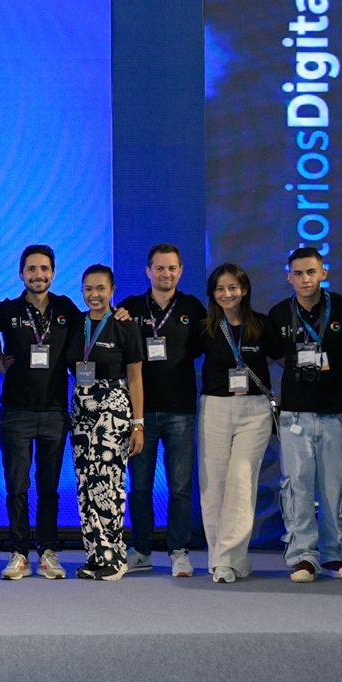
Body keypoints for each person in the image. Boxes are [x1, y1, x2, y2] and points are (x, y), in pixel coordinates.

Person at [0, 245, 83, 581]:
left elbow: (95, 323)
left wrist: (120, 314)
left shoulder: (67, 308)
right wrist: (0, 364)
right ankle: (19, 552)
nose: (38, 275)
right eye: (31, 269)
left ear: (53, 273)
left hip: (55, 413)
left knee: (49, 487)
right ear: (21, 274)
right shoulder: (7, 310)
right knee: (17, 486)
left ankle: (47, 552)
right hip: (17, 412)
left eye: (44, 269)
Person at [116, 244, 206, 577]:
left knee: (180, 487)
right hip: (141, 412)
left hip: (181, 410)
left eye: (171, 268)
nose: (165, 274)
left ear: (180, 271)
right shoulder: (129, 308)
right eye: (159, 268)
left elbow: (203, 350)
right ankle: (141, 550)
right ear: (148, 271)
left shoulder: (193, 308)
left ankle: (178, 550)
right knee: (140, 487)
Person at [266, 247, 342, 583]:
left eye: (311, 272)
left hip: (335, 413)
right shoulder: (279, 313)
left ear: (323, 273)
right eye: (298, 273)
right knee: (297, 488)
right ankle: (303, 556)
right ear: (289, 277)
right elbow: (277, 356)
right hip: (295, 415)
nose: (305, 279)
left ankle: (334, 554)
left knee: (334, 488)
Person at [66, 265, 145, 581]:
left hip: (114, 409)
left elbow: (136, 378)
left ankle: (115, 556)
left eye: (100, 288)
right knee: (85, 483)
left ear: (112, 290)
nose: (94, 295)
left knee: (108, 483)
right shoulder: (76, 323)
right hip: (81, 409)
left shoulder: (126, 326)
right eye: (88, 289)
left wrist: (138, 424)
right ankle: (95, 555)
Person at [198, 263, 275, 584]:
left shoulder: (263, 324)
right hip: (214, 407)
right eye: (220, 289)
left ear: (244, 290)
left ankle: (226, 559)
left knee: (241, 481)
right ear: (212, 294)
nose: (227, 294)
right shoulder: (205, 327)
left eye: (232, 287)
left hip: (254, 411)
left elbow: (282, 357)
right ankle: (226, 559)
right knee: (213, 485)